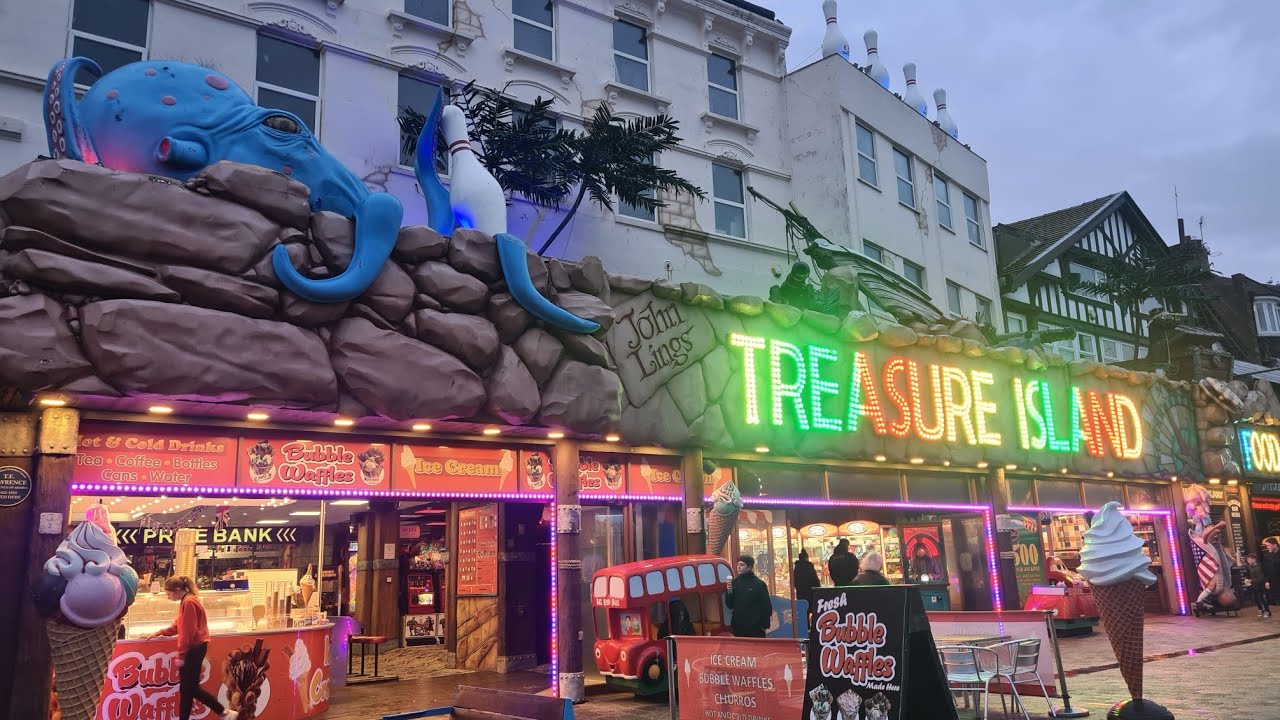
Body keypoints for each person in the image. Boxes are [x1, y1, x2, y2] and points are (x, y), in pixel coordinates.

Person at [145, 577, 239, 720]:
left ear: (177, 590)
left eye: (169, 594)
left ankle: (223, 712)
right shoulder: (187, 601)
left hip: (193, 650)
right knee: (187, 689)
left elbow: (188, 632)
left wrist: (181, 655)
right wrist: (159, 632)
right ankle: (219, 713)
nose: (168, 597)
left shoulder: (189, 602)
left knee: (190, 688)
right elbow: (178, 626)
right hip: (194, 649)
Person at [725, 555, 772, 638]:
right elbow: (730, 605)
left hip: (755, 628)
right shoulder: (734, 583)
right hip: (739, 626)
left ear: (749, 567)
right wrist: (729, 591)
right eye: (738, 564)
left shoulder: (759, 584)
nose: (738, 567)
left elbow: (766, 606)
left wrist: (764, 626)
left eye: (742, 565)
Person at [793, 549, 821, 626]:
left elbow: (794, 582)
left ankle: (805, 628)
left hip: (800, 593)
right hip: (810, 593)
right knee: (814, 610)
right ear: (806, 558)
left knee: (804, 612)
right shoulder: (809, 567)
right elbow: (815, 580)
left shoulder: (796, 569)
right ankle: (813, 628)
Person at [1245, 553, 1271, 618]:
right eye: (1247, 560)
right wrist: (1247, 579)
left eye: (1249, 560)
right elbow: (1248, 575)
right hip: (1253, 585)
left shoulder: (1260, 566)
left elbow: (1261, 578)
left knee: (1261, 598)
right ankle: (1260, 609)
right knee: (1255, 599)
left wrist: (1252, 581)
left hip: (1260, 585)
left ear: (1254, 559)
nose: (1248, 562)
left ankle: (1267, 612)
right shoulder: (1249, 567)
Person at [1262, 539, 1280, 608]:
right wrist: (1267, 581)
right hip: (1274, 583)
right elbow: (1266, 569)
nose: (1267, 547)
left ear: (1275, 545)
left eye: (1268, 545)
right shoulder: (1268, 556)